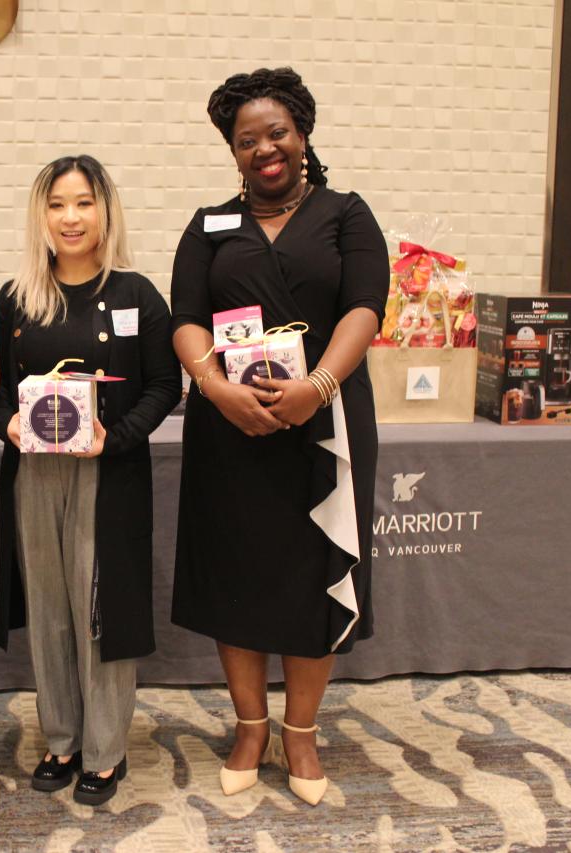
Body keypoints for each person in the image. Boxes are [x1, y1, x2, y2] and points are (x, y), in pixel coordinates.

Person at [169, 68, 388, 805]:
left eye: (277, 133)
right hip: (230, 429)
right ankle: (249, 726)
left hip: (321, 426)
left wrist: (316, 388)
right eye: (246, 140)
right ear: (232, 152)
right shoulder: (208, 226)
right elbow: (186, 316)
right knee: (237, 574)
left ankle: (300, 733)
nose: (264, 149)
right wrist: (216, 387)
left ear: (302, 134)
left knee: (309, 574)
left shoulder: (346, 214)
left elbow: (365, 307)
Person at [0, 155, 181, 806]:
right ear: (40, 215)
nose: (70, 217)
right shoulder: (15, 299)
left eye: (83, 202)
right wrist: (9, 423)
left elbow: (163, 387)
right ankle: (61, 738)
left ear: (105, 210)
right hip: (34, 475)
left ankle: (104, 750)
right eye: (57, 204)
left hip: (108, 473)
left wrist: (114, 437)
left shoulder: (136, 296)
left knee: (100, 612)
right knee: (48, 608)